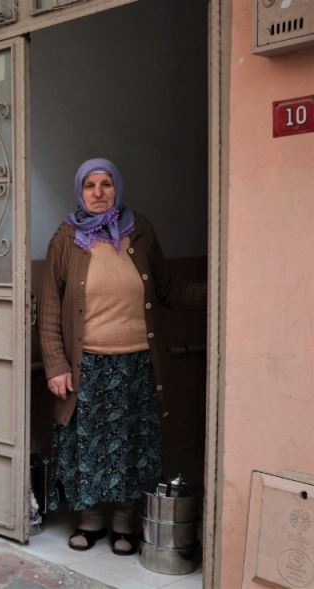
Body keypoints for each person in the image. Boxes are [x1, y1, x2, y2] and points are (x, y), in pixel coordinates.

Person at [37, 158, 205, 555]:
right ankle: (91, 519)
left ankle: (125, 522)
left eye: (106, 184)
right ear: (79, 191)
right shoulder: (66, 237)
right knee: (88, 446)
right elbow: (49, 309)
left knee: (134, 445)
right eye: (90, 185)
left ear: (117, 188)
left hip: (138, 363)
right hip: (88, 365)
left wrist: (218, 292)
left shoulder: (139, 230)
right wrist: (57, 365)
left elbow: (167, 289)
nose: (98, 193)